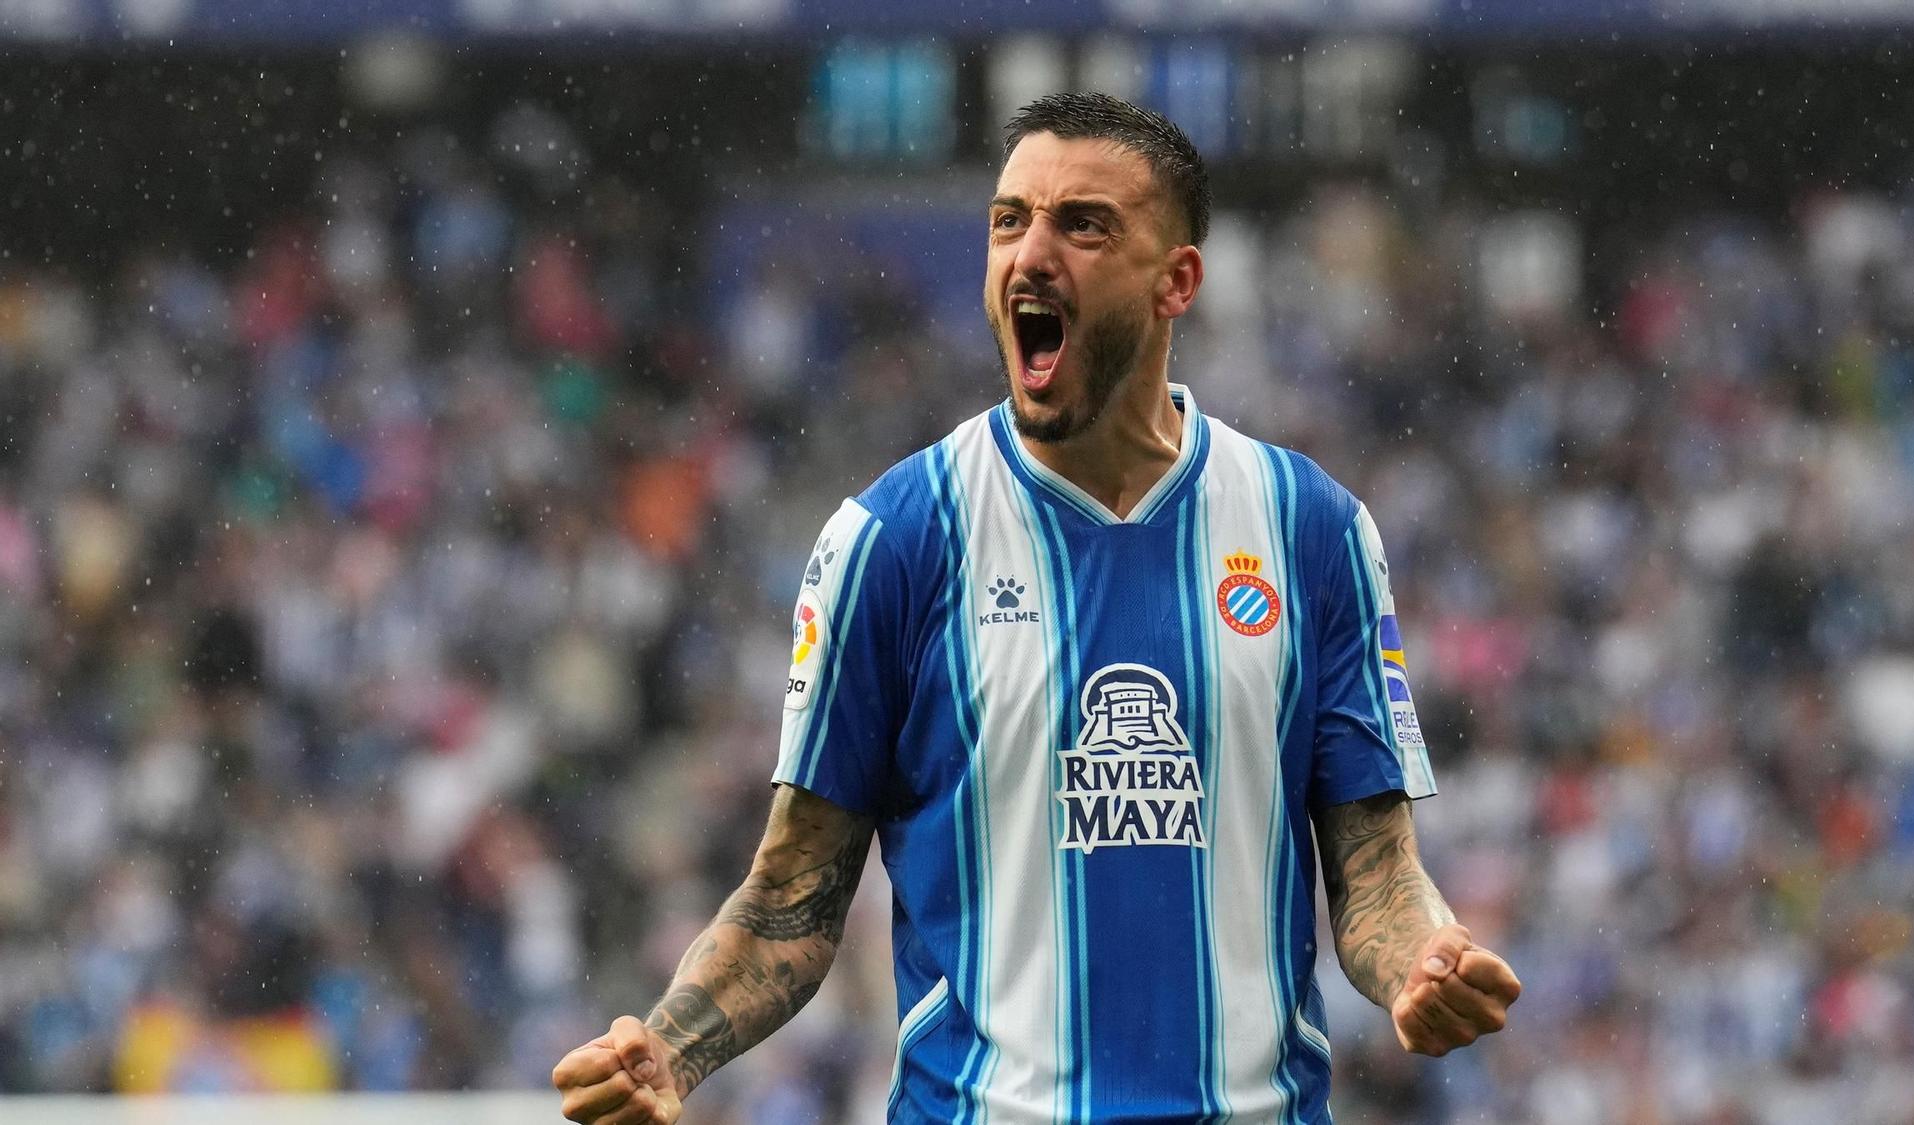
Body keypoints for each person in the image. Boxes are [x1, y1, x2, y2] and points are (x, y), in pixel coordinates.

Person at [553, 91, 1521, 1125]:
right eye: (1008, 220)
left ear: (1176, 281)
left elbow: (1373, 870)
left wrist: (1423, 960)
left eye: (1083, 224)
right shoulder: (894, 541)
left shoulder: (1310, 532)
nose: (1030, 253)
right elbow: (791, 895)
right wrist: (670, 1047)